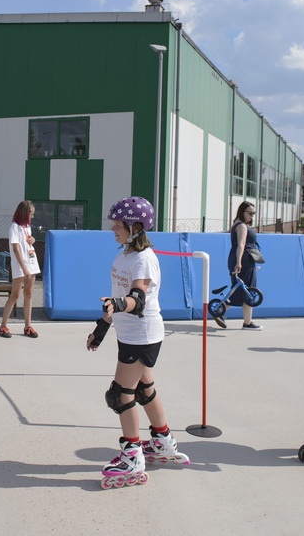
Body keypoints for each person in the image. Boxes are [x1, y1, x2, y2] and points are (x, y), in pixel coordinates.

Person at [87, 196, 187, 485]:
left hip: (140, 336)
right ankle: (163, 441)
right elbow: (117, 298)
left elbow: (137, 299)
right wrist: (102, 328)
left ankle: (131, 456)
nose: (113, 229)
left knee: (120, 395)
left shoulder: (144, 259)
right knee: (145, 390)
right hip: (131, 333)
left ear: (136, 227)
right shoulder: (124, 255)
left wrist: (118, 306)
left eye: (118, 225)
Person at [0, 200, 41, 338]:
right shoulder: (14, 227)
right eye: (31, 214)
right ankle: (3, 326)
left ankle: (28, 327)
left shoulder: (27, 227)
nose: (32, 217)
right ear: (25, 213)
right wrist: (24, 268)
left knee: (28, 293)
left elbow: (27, 242)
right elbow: (16, 249)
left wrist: (32, 239)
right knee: (15, 295)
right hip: (20, 265)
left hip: (31, 262)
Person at [226, 201, 263, 330]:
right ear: (242, 212)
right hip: (244, 260)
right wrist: (239, 262)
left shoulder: (238, 223)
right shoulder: (241, 226)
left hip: (245, 259)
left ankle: (221, 310)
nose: (252, 216)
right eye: (250, 213)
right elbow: (241, 244)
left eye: (254, 213)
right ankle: (247, 323)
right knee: (248, 290)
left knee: (242, 290)